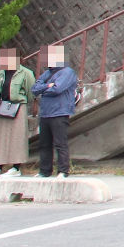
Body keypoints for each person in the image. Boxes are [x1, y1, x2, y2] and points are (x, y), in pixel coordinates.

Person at [0, 47, 35, 177]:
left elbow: (30, 91)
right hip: (1, 106)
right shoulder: (1, 74)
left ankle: (16, 167)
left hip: (17, 107)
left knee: (16, 138)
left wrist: (22, 101)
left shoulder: (25, 73)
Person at [31, 43, 78, 178]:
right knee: (44, 143)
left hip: (60, 112)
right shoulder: (47, 73)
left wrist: (44, 88)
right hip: (45, 112)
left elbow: (57, 89)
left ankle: (63, 171)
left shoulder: (67, 72)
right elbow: (34, 89)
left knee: (60, 143)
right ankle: (44, 171)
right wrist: (48, 86)